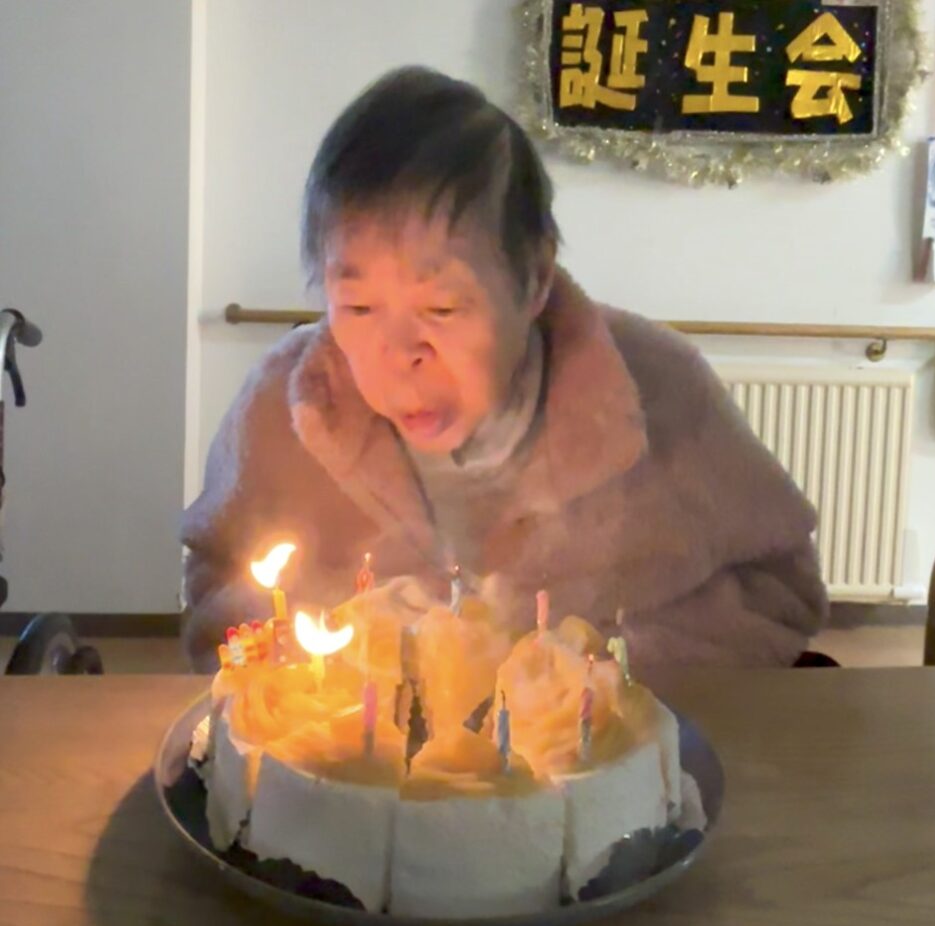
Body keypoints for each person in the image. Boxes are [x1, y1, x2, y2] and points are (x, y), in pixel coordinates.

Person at [181, 66, 828, 674]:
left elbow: (777, 596)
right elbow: (217, 594)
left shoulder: (659, 390)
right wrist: (344, 650)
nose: (398, 352)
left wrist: (583, 663)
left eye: (441, 307)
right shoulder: (285, 411)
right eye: (357, 306)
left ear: (535, 279)